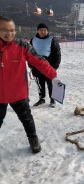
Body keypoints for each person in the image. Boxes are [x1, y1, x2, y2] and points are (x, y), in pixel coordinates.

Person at [0, 16, 58, 153]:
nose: (9, 34)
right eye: (4, 30)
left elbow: (39, 61)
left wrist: (53, 76)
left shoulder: (22, 46)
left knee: (27, 119)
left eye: (12, 30)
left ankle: (33, 139)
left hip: (18, 93)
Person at [30, 23, 61, 107]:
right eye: (41, 29)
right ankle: (41, 99)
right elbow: (29, 54)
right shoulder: (33, 39)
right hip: (36, 67)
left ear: (47, 31)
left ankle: (52, 100)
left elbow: (57, 54)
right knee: (40, 84)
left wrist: (54, 67)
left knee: (50, 84)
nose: (43, 31)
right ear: (37, 30)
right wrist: (30, 65)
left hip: (49, 67)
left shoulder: (52, 39)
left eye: (45, 30)